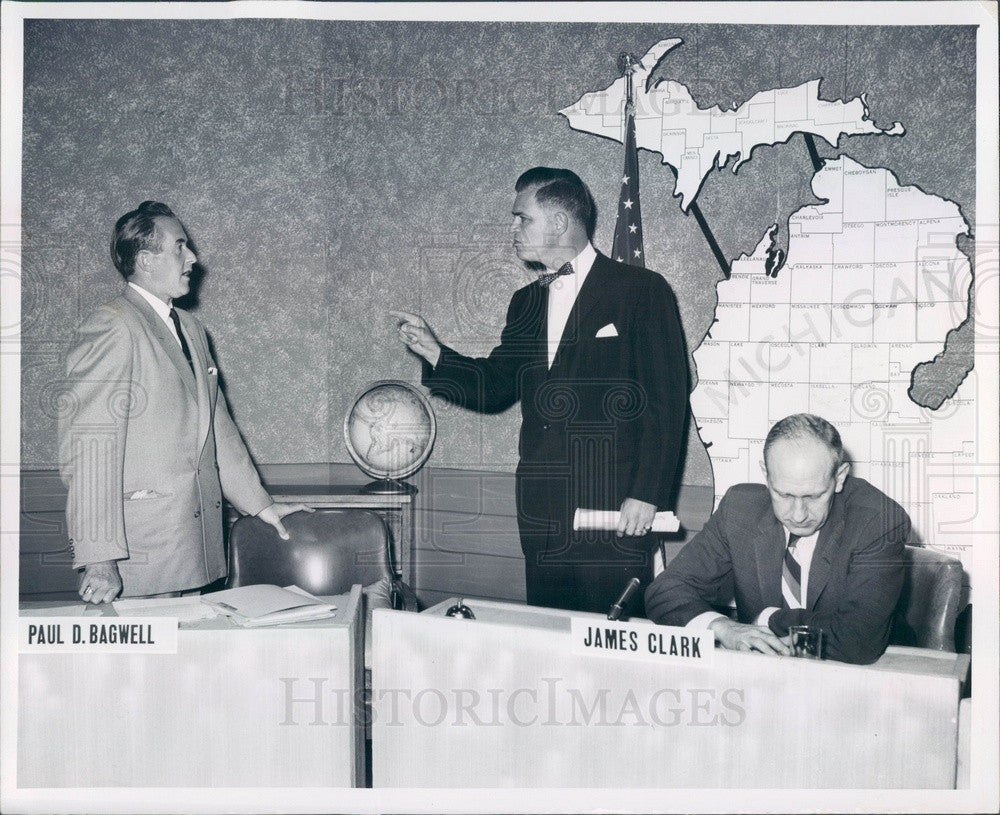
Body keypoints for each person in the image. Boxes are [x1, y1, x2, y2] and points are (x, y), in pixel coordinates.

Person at [391, 167, 689, 613]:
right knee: (551, 647)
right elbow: (494, 387)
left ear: (559, 222)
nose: (511, 229)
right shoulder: (526, 303)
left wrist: (648, 492)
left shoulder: (641, 291)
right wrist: (436, 354)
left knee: (607, 651)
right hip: (541, 517)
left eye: (521, 218)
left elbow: (665, 402)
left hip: (615, 514)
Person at [58, 201, 309, 603]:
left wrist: (262, 507)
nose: (193, 258)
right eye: (180, 247)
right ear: (145, 260)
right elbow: (90, 445)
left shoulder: (191, 328)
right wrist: (99, 558)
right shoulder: (113, 324)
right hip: (137, 553)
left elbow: (219, 431)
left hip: (194, 545)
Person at [644, 413, 909, 665]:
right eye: (784, 495)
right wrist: (722, 627)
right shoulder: (739, 510)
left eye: (813, 497)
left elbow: (857, 640)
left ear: (839, 478)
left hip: (858, 677)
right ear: (766, 476)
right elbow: (665, 590)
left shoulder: (878, 521)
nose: (798, 514)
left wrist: (769, 619)